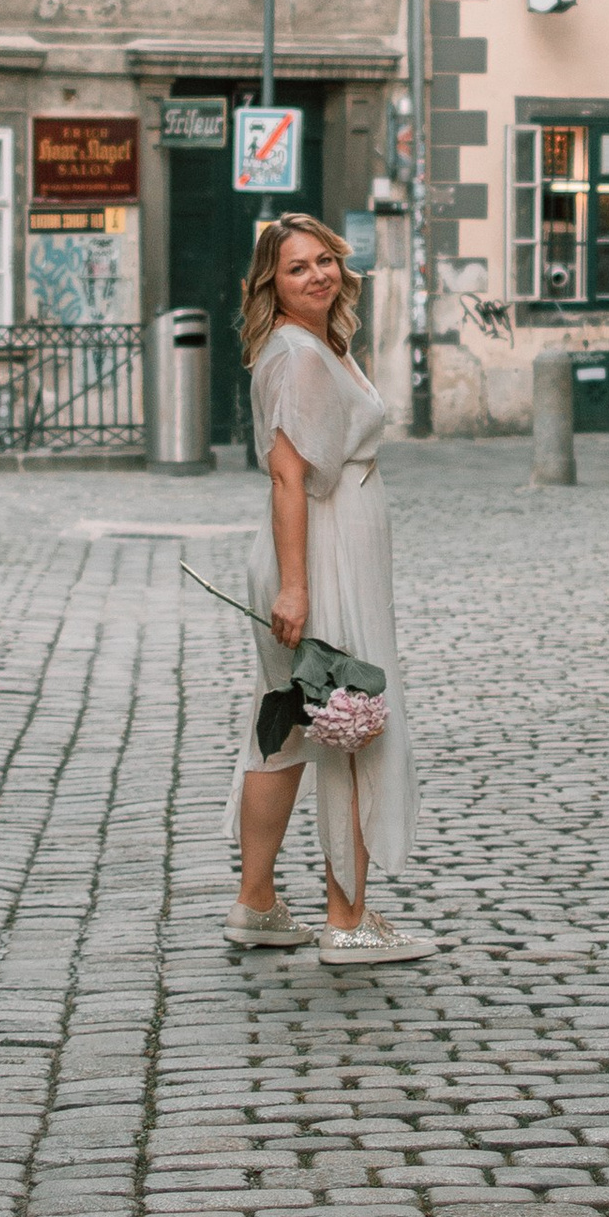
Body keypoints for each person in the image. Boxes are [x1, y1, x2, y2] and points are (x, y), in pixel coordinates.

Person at [226, 211, 431, 966]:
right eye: (296, 267)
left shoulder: (315, 344)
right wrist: (296, 588)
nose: (316, 275)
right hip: (320, 553)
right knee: (352, 725)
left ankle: (256, 904)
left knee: (283, 728)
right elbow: (288, 476)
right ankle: (347, 917)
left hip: (317, 549)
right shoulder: (301, 354)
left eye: (323, 261)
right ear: (270, 285)